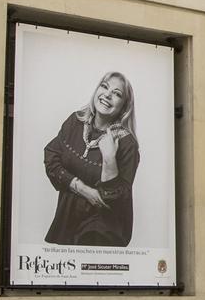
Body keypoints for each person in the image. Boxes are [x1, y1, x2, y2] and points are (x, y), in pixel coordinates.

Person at [43, 70, 139, 247]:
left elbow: (114, 201)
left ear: (124, 107)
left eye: (117, 94)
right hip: (67, 222)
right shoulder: (75, 121)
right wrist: (82, 188)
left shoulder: (127, 144)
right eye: (104, 87)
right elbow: (51, 159)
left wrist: (109, 158)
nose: (107, 95)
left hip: (101, 234)